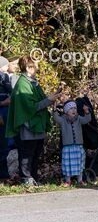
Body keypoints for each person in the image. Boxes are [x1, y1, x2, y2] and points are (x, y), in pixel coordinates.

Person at [5, 57, 62, 187]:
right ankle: (26, 179)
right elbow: (30, 107)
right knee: (27, 154)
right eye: (35, 66)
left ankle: (34, 178)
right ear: (28, 67)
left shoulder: (33, 82)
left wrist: (52, 97)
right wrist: (49, 100)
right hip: (27, 127)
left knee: (36, 154)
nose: (37, 68)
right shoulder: (23, 84)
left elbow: (40, 101)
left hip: (37, 125)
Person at [55, 99, 90, 186]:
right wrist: (54, 110)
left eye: (75, 108)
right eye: (71, 108)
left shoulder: (79, 118)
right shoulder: (63, 120)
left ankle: (80, 180)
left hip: (78, 146)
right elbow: (56, 118)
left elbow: (86, 120)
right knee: (68, 164)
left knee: (79, 164)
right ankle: (68, 180)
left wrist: (86, 112)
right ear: (66, 111)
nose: (74, 110)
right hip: (68, 147)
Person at [0, 56, 14, 181]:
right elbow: (11, 90)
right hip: (3, 112)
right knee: (4, 143)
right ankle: (3, 174)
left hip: (5, 111)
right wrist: (4, 102)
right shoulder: (4, 77)